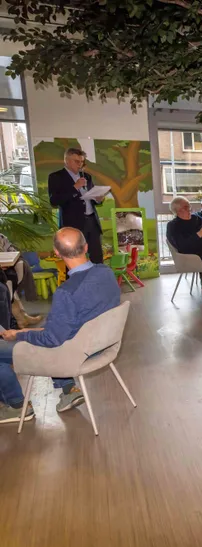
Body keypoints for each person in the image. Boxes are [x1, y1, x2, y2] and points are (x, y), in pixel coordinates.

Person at [0, 228, 121, 424]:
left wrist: (21, 334)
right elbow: (69, 327)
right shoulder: (106, 272)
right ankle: (68, 390)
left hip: (76, 352)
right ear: (86, 247)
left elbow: (51, 340)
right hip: (103, 343)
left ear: (56, 252)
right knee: (54, 331)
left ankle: (16, 406)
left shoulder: (67, 292)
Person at [48, 148, 104, 264]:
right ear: (67, 161)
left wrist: (98, 199)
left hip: (92, 222)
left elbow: (89, 198)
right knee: (73, 258)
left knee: (97, 256)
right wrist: (75, 187)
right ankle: (76, 281)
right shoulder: (56, 177)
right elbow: (54, 200)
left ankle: (98, 281)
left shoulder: (86, 176)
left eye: (82, 161)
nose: (80, 164)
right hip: (73, 224)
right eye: (76, 161)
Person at [166, 196, 202, 303]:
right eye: (186, 207)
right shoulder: (173, 226)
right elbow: (182, 246)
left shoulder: (196, 219)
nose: (190, 209)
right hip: (191, 257)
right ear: (178, 210)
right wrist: (199, 234)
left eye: (189, 206)